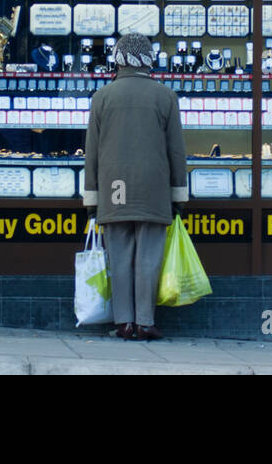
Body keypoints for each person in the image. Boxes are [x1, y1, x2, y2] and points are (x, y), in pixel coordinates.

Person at [82, 32, 187, 341]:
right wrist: (178, 194)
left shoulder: (102, 96)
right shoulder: (165, 96)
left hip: (114, 186)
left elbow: (92, 152)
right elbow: (176, 151)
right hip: (153, 188)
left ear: (118, 58)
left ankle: (123, 322)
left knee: (119, 255)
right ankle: (145, 321)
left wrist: (92, 200)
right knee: (149, 257)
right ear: (149, 59)